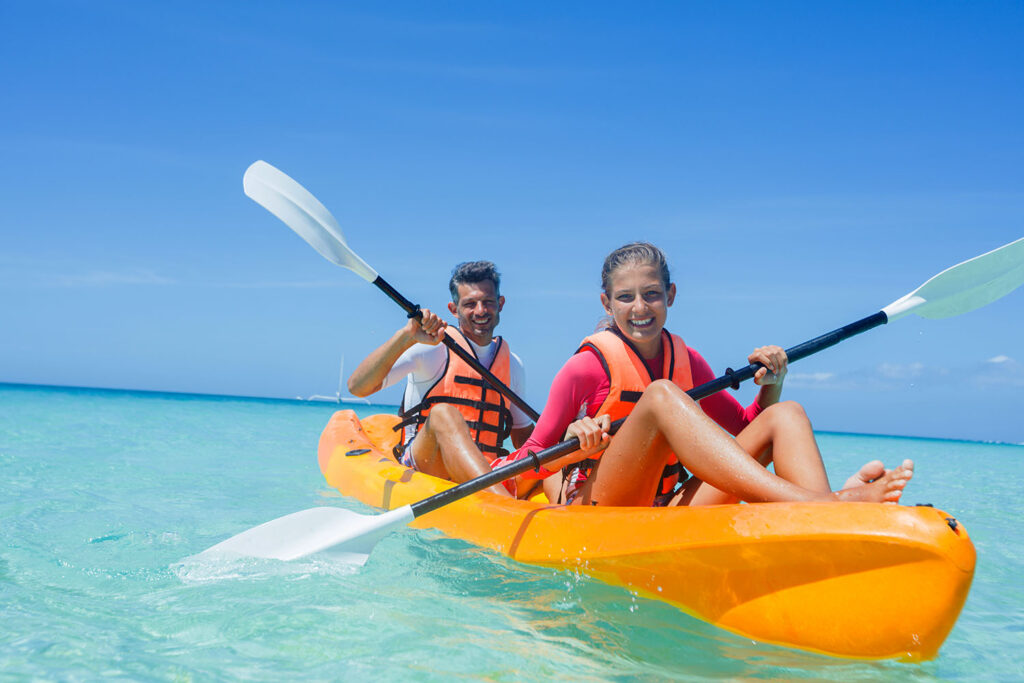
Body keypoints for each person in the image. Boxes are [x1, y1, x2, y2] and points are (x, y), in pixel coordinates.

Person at [498, 241, 913, 506]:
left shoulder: (689, 361)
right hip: (600, 507)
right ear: (607, 304)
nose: (640, 308)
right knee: (661, 396)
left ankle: (822, 515)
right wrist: (575, 446)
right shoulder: (586, 367)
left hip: (667, 507)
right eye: (625, 298)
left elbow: (750, 428)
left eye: (652, 294)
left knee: (786, 414)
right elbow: (525, 464)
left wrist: (772, 385)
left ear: (671, 296)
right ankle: (826, 503)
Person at [347, 261, 533, 497]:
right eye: (469, 304)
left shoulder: (513, 364)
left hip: (488, 468)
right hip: (426, 466)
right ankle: (501, 504)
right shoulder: (431, 348)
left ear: (500, 304)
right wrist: (406, 337)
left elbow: (524, 438)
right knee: (442, 414)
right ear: (453, 309)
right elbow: (358, 387)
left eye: (488, 302)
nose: (480, 311)